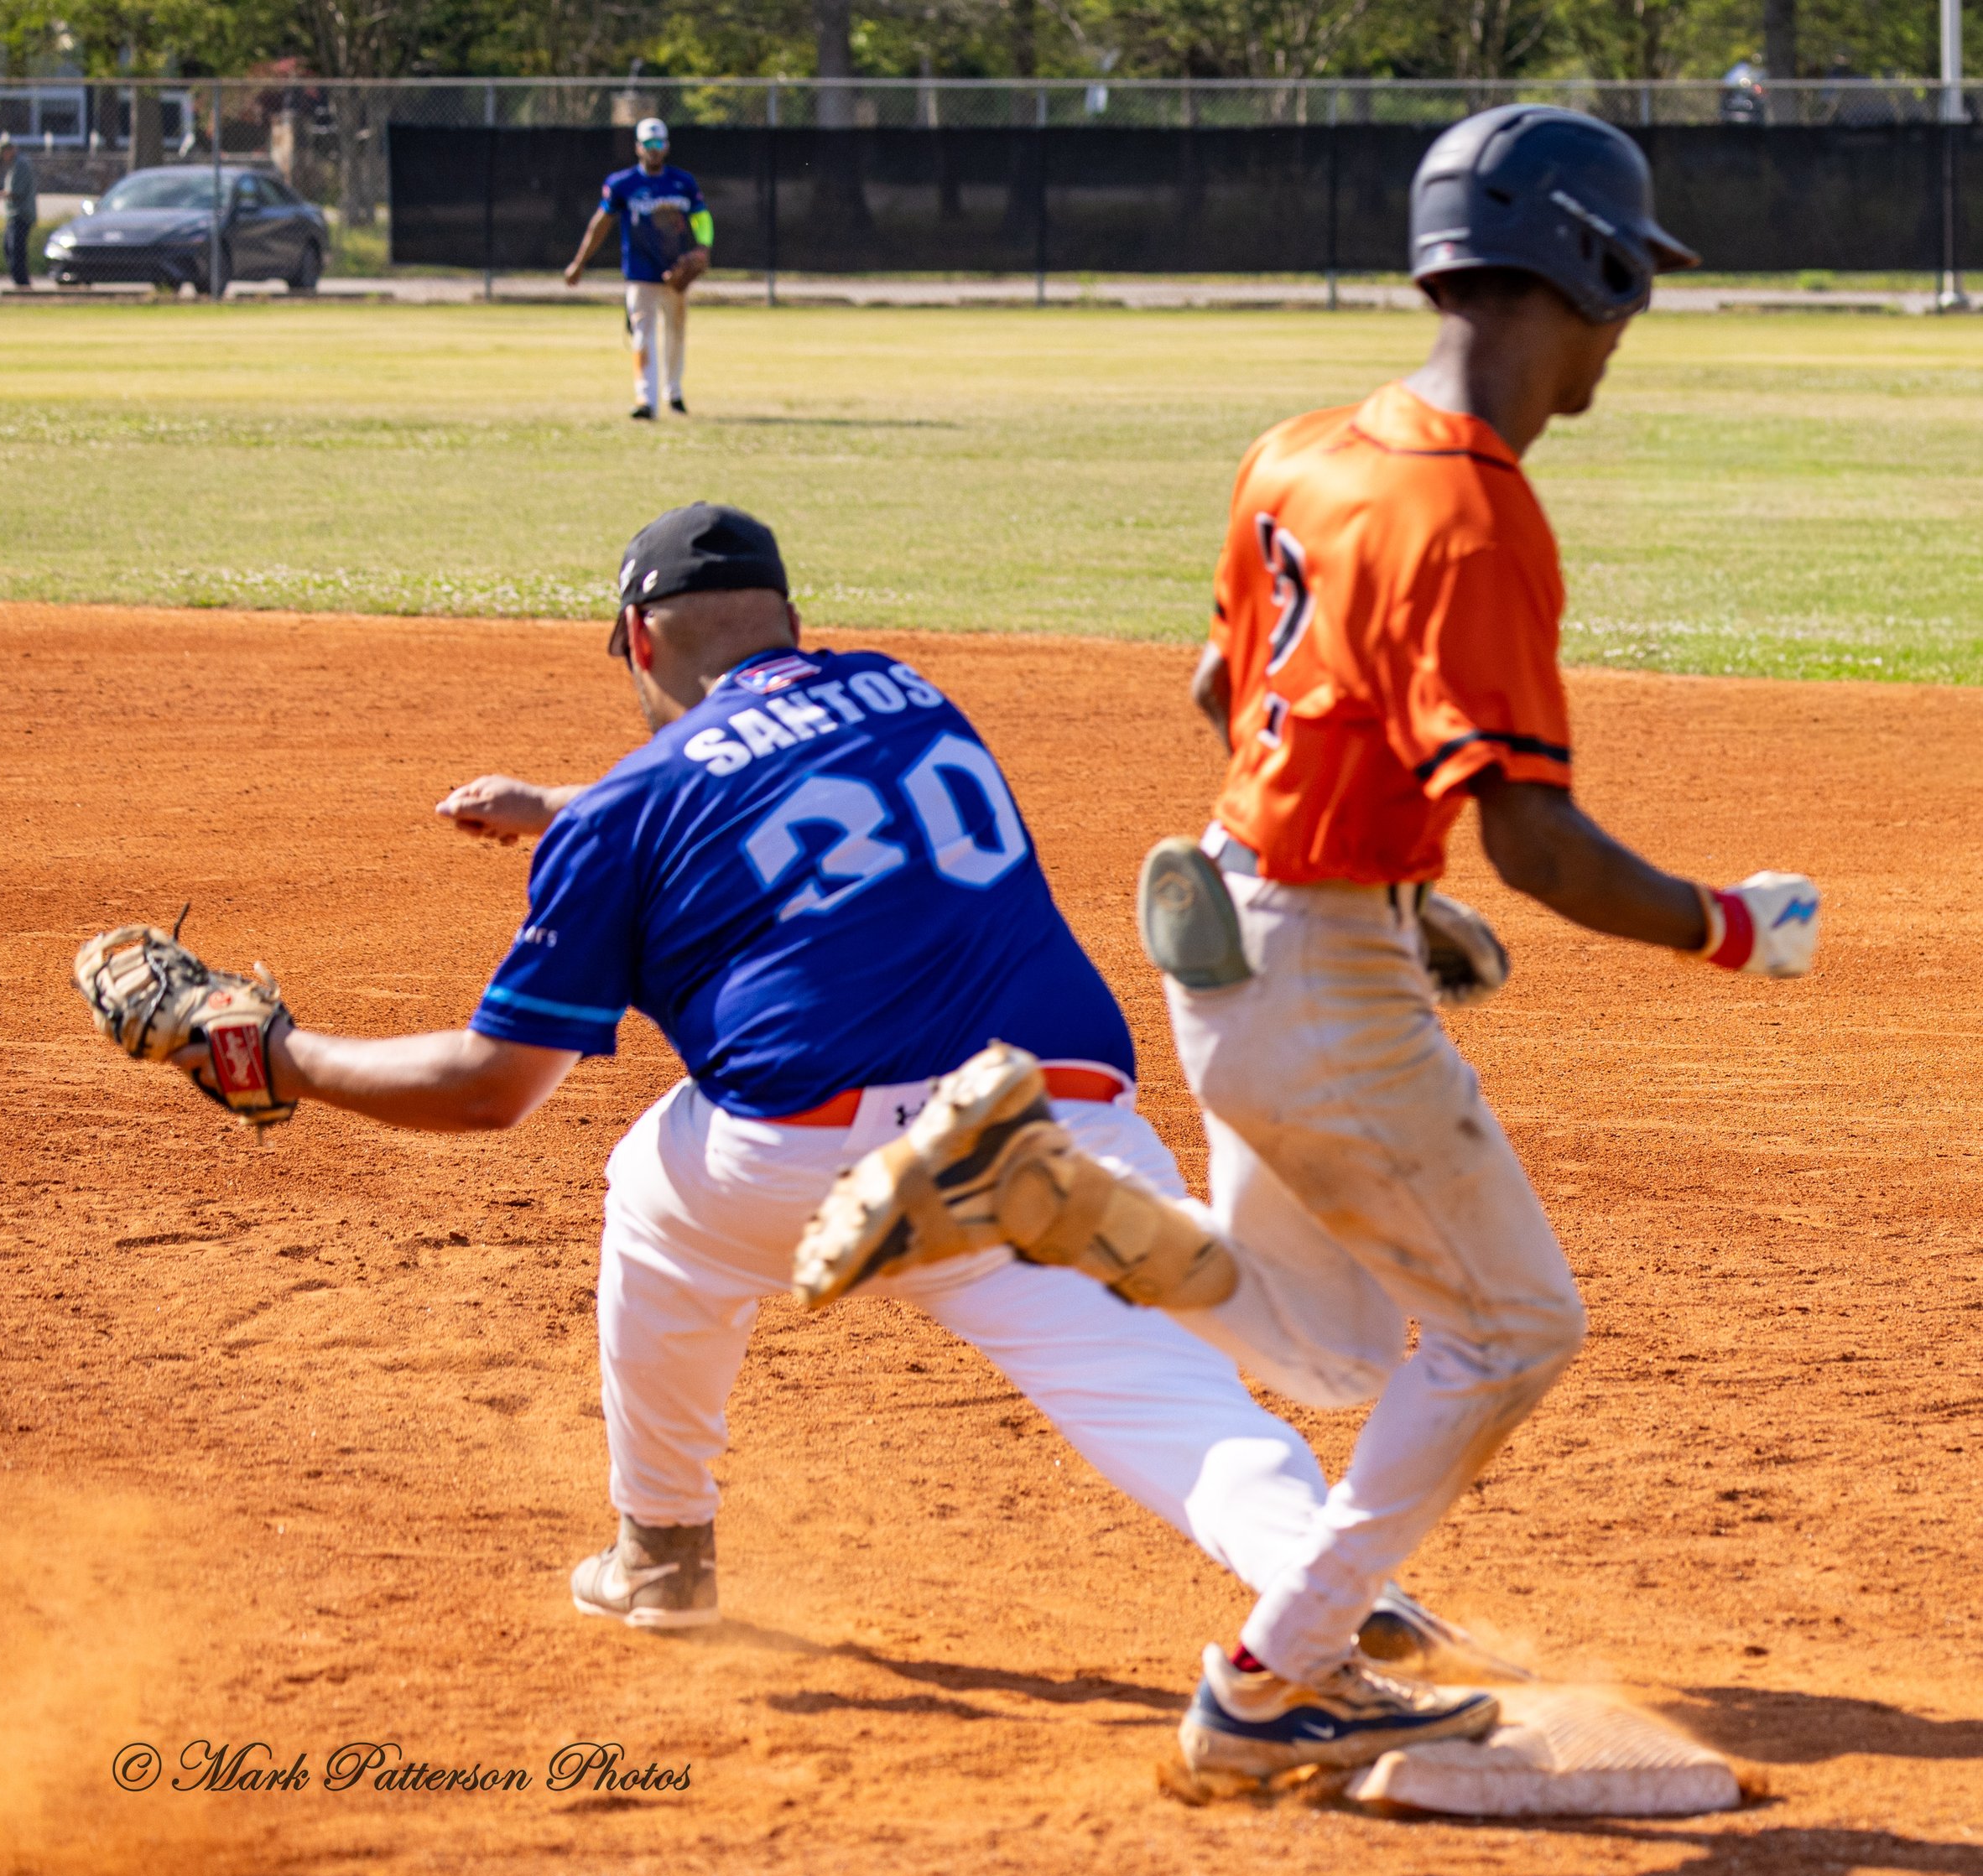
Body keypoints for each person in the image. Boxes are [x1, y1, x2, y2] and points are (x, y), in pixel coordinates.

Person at [79, 501, 1511, 1769]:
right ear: (792, 627)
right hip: (1050, 1122)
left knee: (647, 1190)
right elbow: (807, 817)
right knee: (1175, 1400)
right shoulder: (911, 695)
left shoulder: (634, 808)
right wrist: (569, 816)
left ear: (640, 644)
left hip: (812, 1161)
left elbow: (488, 1085)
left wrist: (273, 1052)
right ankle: (1321, 1583)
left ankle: (661, 1553)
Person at [798, 106, 1824, 1787]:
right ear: (1581, 261)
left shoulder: (1303, 450)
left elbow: (1231, 695)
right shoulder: (1475, 513)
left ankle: (1042, 1193)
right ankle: (1278, 1672)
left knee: (1333, 1345)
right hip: (1322, 976)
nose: (1629, 319)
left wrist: (1392, 885)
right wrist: (1729, 930)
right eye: (1630, 279)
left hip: (1249, 934)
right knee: (1510, 1331)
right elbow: (1539, 838)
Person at [563, 117, 710, 420]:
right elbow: (600, 225)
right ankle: (646, 400)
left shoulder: (683, 182)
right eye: (648, 144)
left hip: (675, 272)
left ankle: (674, 393)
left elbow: (701, 218)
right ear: (638, 147)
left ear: (667, 146)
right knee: (642, 335)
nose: (654, 150)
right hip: (640, 273)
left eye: (659, 144)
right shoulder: (622, 184)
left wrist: (704, 247)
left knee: (676, 334)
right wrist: (580, 262)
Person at [0, 130, 37, 288]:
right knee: (9, 248)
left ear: (10, 150)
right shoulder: (15, 165)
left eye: (3, 153)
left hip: (21, 214)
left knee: (16, 250)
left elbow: (16, 192)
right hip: (14, 215)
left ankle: (23, 285)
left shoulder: (21, 165)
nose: (3, 157)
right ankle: (19, 282)